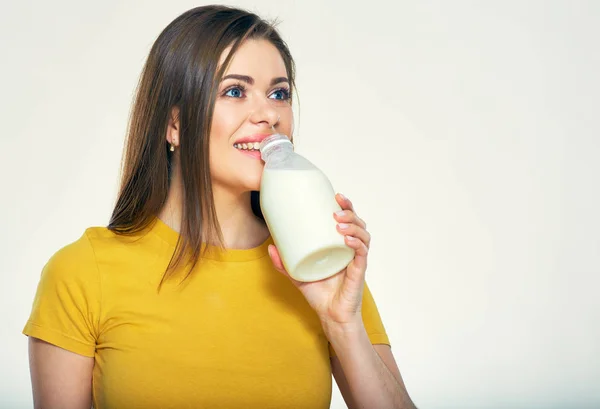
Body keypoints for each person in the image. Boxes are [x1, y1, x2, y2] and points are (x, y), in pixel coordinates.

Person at [23, 5, 416, 409]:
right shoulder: (82, 274)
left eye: (278, 94)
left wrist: (343, 324)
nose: (269, 114)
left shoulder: (324, 266)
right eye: (234, 91)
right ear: (174, 124)